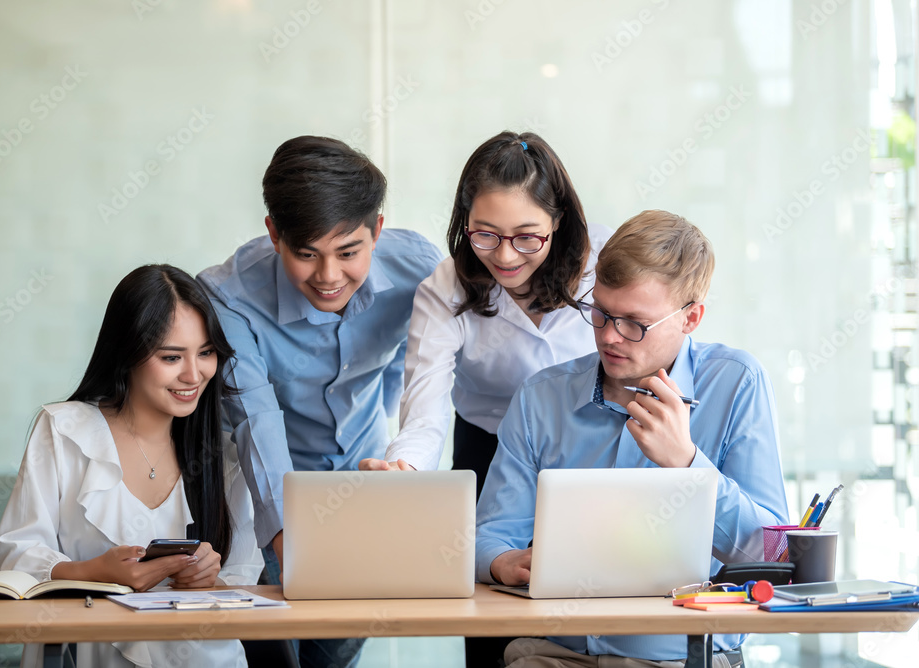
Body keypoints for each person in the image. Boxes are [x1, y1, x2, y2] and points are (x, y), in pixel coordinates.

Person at [477, 210, 788, 668]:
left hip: (687, 659)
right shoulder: (541, 397)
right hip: (554, 656)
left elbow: (775, 556)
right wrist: (501, 561)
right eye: (600, 313)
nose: (609, 337)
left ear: (691, 318)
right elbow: (488, 536)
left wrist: (686, 464)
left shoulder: (737, 383)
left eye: (634, 324)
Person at [198, 135, 442, 667]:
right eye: (306, 254)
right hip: (257, 500)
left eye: (349, 252)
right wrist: (290, 545)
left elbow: (430, 375)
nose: (329, 277)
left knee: (333, 659)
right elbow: (254, 419)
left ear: (377, 230)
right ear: (274, 235)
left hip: (362, 487)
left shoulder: (419, 267)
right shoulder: (228, 295)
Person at [0, 265, 263, 668]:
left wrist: (210, 579)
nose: (194, 374)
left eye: (206, 352)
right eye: (172, 357)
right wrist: (90, 572)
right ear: (128, 353)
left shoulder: (222, 453)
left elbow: (242, 581)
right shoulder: (65, 431)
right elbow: (13, 556)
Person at [362, 131, 612, 491]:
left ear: (557, 220)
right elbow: (424, 413)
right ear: (466, 221)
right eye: (486, 234)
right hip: (489, 445)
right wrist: (405, 469)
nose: (505, 257)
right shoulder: (445, 289)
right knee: (480, 545)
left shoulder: (605, 261)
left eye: (527, 236)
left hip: (593, 439)